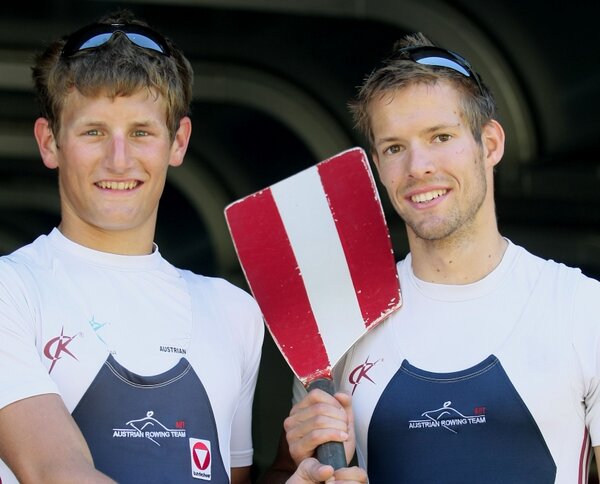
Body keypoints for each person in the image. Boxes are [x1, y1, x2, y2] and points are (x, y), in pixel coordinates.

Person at [0, 10, 366, 484]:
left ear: (178, 142)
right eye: (93, 132)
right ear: (50, 143)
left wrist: (301, 477)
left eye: (141, 132)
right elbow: (55, 471)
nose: (119, 158)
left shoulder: (233, 312)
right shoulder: (13, 291)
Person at [264, 32, 600, 483]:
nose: (417, 166)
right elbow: (289, 473)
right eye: (394, 148)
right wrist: (307, 469)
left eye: (440, 137)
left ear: (491, 143)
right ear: (378, 167)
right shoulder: (341, 327)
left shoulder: (581, 308)